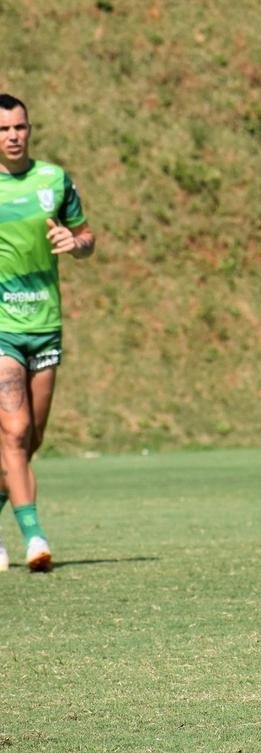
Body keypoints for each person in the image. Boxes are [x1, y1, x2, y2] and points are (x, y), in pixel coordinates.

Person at [0, 94, 95, 573]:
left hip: (46, 326)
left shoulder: (54, 180)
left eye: (20, 127)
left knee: (30, 439)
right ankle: (35, 539)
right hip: (2, 331)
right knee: (13, 432)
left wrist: (74, 242)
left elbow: (87, 237)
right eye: (3, 130)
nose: (13, 136)